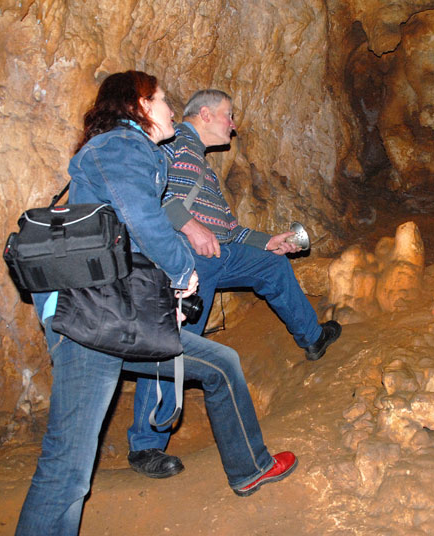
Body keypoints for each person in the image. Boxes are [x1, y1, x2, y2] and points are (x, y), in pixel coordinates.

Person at [15, 71, 297, 536]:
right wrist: (182, 270)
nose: (171, 110)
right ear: (139, 106)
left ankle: (250, 467)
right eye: (163, 101)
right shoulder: (120, 146)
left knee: (221, 363)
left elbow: (141, 219)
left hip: (113, 315)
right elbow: (141, 215)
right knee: (68, 465)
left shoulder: (125, 152)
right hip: (89, 318)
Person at [126, 89, 341, 478]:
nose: (233, 124)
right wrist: (190, 227)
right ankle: (146, 445)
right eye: (229, 115)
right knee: (173, 347)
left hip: (218, 254)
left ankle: (313, 337)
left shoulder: (201, 163)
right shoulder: (173, 144)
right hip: (187, 260)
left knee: (272, 267)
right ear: (205, 114)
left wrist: (269, 242)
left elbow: (226, 229)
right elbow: (146, 192)